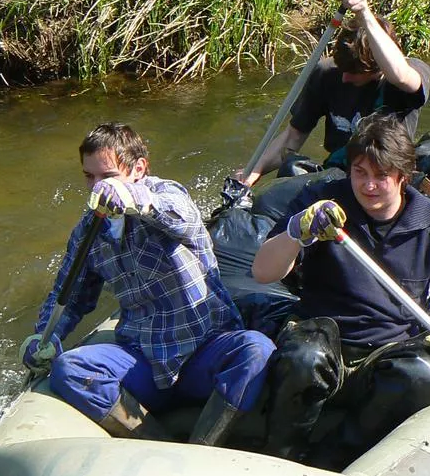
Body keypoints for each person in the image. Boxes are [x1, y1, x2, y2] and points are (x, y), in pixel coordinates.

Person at [251, 113, 430, 469]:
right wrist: (296, 234)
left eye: (381, 176)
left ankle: (333, 459)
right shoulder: (323, 203)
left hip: (389, 349)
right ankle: (280, 459)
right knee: (303, 358)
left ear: (402, 178)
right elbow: (262, 272)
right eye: (360, 173)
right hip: (322, 337)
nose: (369, 186)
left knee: (423, 378)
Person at [20, 123, 275, 447]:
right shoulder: (89, 232)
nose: (96, 187)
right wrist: (44, 336)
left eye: (107, 176)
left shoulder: (165, 196)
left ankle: (204, 448)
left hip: (203, 351)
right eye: (89, 177)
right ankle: (158, 445)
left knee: (255, 348)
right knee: (70, 368)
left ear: (138, 169)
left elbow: (181, 216)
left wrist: (132, 198)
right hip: (144, 359)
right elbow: (68, 299)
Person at [238, 0, 430, 187]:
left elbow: (400, 76)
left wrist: (364, 13)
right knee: (288, 176)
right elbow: (292, 137)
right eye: (341, 68)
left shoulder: (407, 75)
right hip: (339, 174)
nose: (344, 78)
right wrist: (253, 171)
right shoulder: (326, 73)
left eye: (354, 74)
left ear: (378, 70)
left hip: (381, 180)